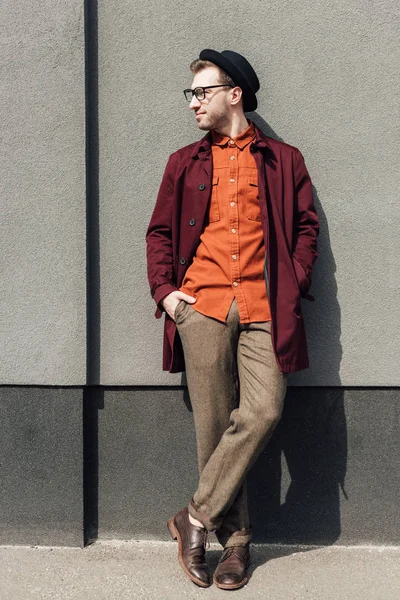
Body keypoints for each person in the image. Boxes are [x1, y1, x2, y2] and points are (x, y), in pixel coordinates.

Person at [146, 48, 319, 590]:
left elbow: (307, 228)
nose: (194, 102)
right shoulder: (185, 162)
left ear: (234, 94)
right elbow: (160, 235)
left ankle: (193, 517)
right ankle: (236, 546)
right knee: (214, 426)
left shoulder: (283, 159)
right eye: (191, 93)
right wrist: (167, 295)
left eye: (202, 91)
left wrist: (294, 281)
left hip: (267, 307)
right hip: (204, 307)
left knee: (264, 409)